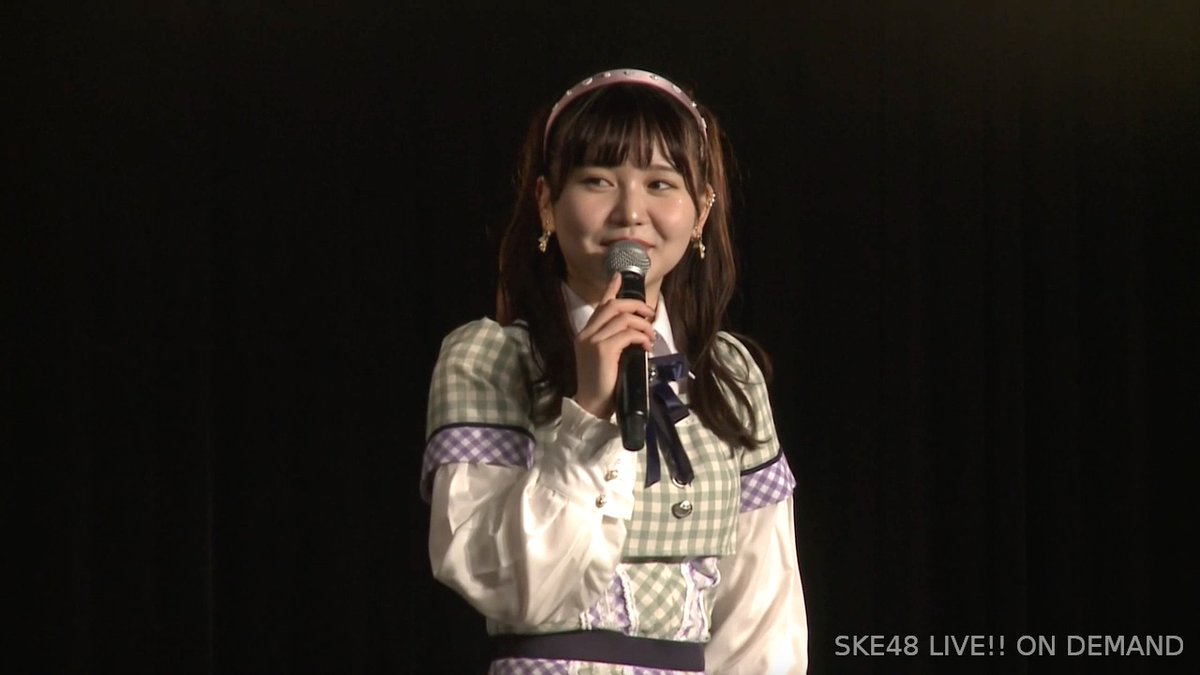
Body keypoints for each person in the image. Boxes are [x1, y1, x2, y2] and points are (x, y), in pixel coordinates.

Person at [421, 68, 808, 675]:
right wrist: (588, 414)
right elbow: (509, 587)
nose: (630, 212)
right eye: (598, 180)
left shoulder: (728, 375)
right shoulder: (489, 359)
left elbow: (763, 612)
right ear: (547, 203)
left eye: (661, 184)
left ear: (701, 212)